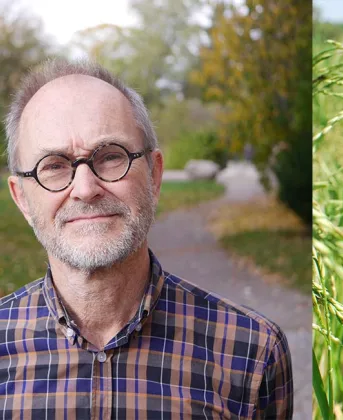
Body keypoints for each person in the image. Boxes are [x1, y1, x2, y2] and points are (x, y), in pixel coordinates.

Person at [0, 58, 293, 419]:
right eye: (54, 166)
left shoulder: (252, 352)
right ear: (22, 198)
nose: (86, 189)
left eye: (110, 157)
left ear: (154, 176)